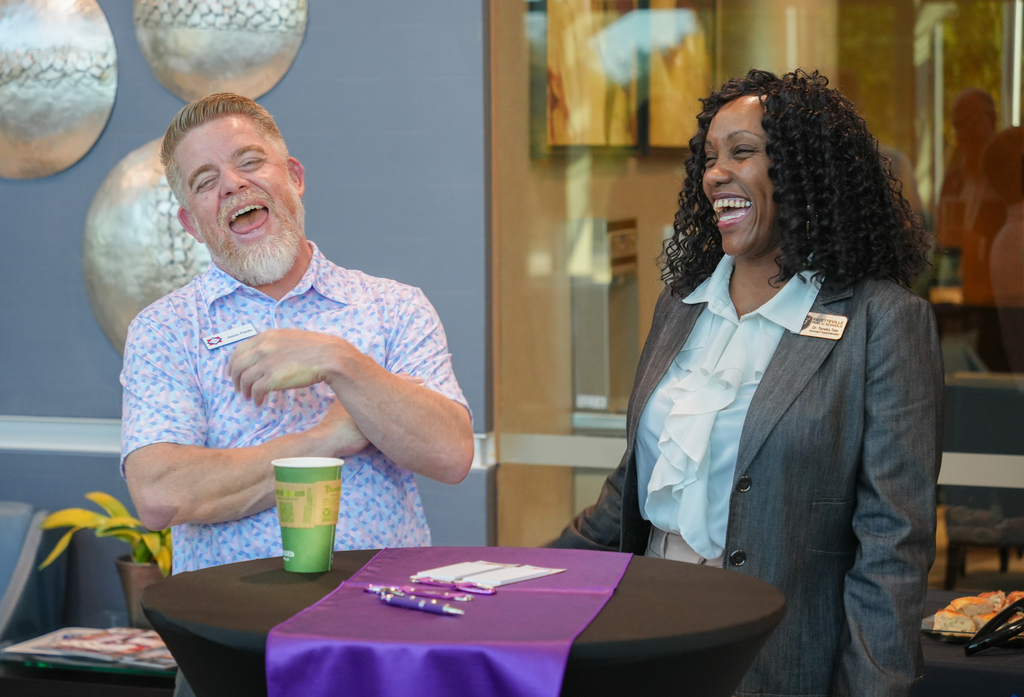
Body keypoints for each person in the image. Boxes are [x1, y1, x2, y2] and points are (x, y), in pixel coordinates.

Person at [548, 69, 943, 696]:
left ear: (805, 171)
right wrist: (513, 577)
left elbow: (892, 544)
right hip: (647, 635)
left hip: (779, 658)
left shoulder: (882, 322)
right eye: (709, 158)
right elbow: (632, 485)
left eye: (742, 152)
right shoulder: (682, 306)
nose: (714, 174)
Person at [121, 93, 475, 575]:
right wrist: (329, 438)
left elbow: (450, 454)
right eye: (205, 182)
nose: (232, 183)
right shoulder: (166, 330)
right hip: (232, 623)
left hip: (384, 610)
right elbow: (161, 495)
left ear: (295, 176)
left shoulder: (394, 307)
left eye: (249, 161)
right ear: (191, 225)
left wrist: (340, 361)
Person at [936, 88, 1005, 305]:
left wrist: (977, 244)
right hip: (954, 293)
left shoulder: (1008, 177)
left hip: (997, 295)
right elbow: (938, 234)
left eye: (972, 122)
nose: (965, 133)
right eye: (958, 126)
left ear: (992, 120)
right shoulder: (954, 178)